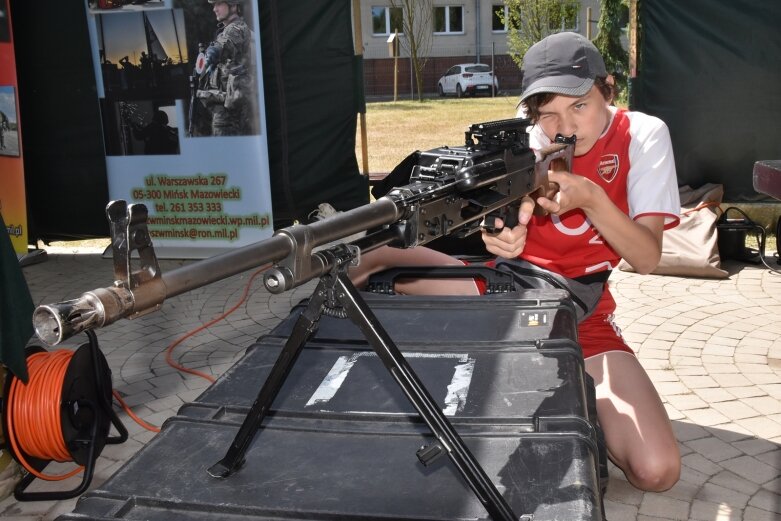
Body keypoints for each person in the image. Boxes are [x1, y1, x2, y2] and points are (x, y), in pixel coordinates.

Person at [350, 31, 682, 492]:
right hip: (513, 289)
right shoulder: (525, 141)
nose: (564, 125)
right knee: (380, 265)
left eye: (579, 105)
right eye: (548, 114)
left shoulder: (642, 135)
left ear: (608, 88)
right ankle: (375, 259)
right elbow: (497, 231)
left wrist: (592, 200)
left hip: (582, 313)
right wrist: (504, 235)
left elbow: (647, 257)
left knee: (656, 471)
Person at [196, 0, 257, 136]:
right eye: (213, 5)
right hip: (232, 108)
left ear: (232, 4)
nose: (214, 9)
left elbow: (226, 44)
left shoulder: (237, 29)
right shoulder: (228, 31)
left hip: (229, 115)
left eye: (218, 4)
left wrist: (213, 51)